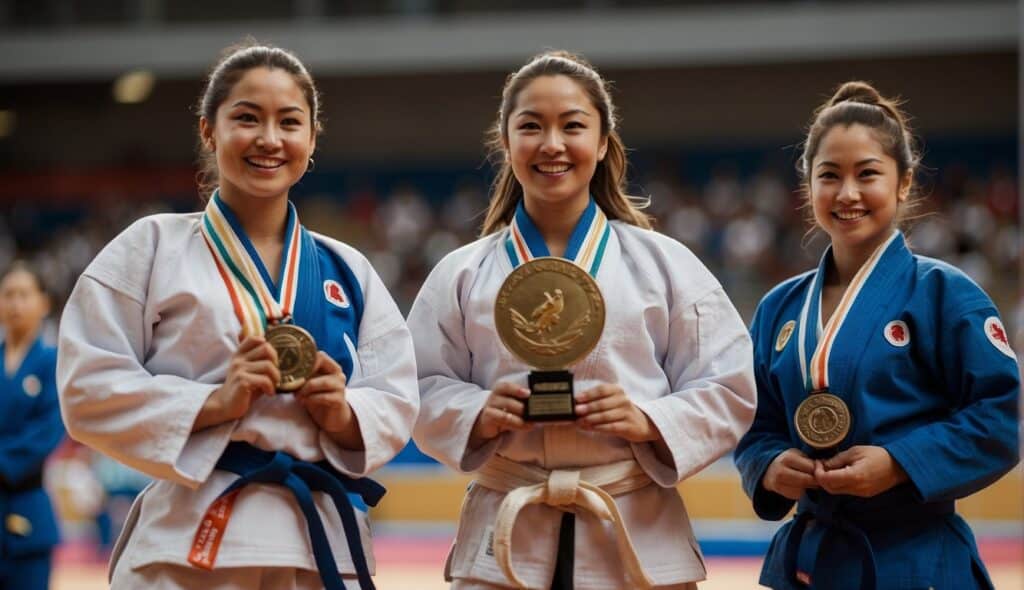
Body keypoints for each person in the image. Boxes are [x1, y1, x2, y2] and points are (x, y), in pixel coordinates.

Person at [57, 43, 418, 590]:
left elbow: (396, 396)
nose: (269, 139)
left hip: (318, 547)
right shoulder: (151, 247)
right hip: (189, 541)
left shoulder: (350, 269)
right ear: (209, 131)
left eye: (289, 122)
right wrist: (211, 403)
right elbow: (87, 387)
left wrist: (343, 413)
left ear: (312, 139)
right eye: (247, 118)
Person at [408, 51, 757, 590]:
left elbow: (729, 384)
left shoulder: (664, 264)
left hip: (635, 536)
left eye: (572, 126)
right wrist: (479, 411)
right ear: (506, 144)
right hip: (504, 542)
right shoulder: (461, 272)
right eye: (531, 127)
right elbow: (414, 385)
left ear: (602, 143)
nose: (552, 144)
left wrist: (648, 421)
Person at [733, 81, 1020, 589]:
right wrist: (770, 465)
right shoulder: (780, 307)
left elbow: (1001, 419)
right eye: (829, 176)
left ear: (904, 182)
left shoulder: (944, 295)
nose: (847, 194)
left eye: (867, 174)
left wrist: (900, 464)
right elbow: (753, 423)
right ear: (808, 187)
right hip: (809, 562)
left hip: (915, 560)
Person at [0, 262, 64, 590]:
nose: (15, 304)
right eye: (8, 295)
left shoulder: (53, 363)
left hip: (29, 511)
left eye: (24, 295)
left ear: (44, 303)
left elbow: (50, 430)